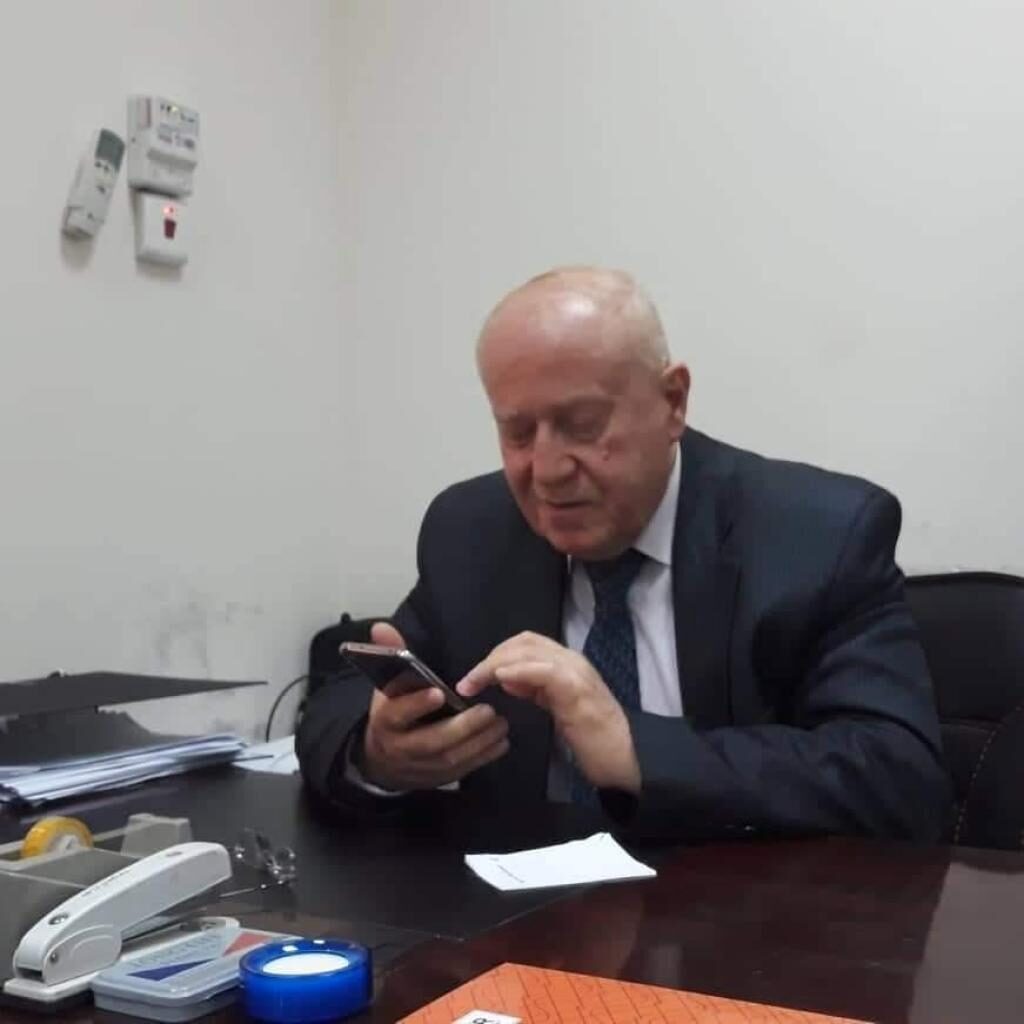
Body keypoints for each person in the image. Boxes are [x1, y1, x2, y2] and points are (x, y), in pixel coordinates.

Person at [298, 267, 950, 840]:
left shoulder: (817, 535)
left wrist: (632, 747)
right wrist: (376, 749)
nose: (547, 470)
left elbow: (900, 780)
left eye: (582, 426)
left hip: (750, 919)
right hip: (521, 920)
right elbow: (335, 706)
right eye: (517, 432)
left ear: (673, 402)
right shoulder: (473, 531)